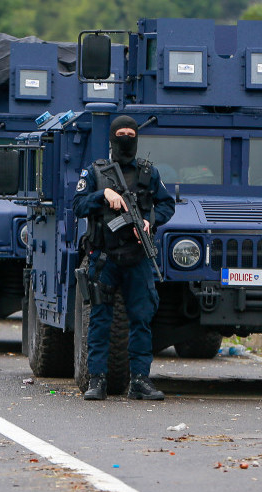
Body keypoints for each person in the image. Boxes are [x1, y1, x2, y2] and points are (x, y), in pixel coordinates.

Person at [72, 115, 175, 401]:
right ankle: (97, 381)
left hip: (137, 256)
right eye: (122, 133)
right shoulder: (95, 172)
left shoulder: (148, 172)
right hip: (103, 257)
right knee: (100, 319)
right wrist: (103, 194)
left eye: (131, 133)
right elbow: (78, 205)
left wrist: (149, 221)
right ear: (112, 138)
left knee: (141, 319)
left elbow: (167, 205)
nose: (127, 137)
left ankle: (140, 381)